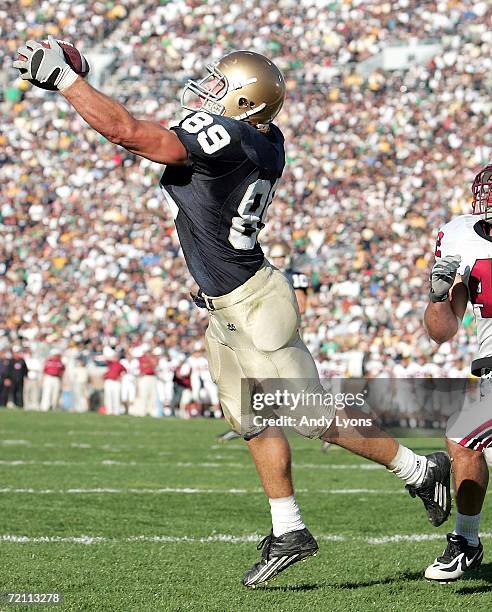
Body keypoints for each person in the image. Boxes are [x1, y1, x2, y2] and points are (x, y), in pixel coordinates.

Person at [14, 40, 452, 586]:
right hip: (226, 301)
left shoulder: (235, 139)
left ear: (246, 104)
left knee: (313, 415)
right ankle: (288, 529)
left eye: (221, 87)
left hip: (252, 303)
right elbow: (178, 144)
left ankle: (418, 467)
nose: (207, 92)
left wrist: (68, 83)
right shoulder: (263, 138)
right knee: (252, 421)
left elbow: (127, 132)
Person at [423, 164, 492, 582]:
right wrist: (436, 297)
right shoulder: (461, 237)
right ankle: (466, 541)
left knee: (462, 437)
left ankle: (466, 542)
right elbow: (442, 333)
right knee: (463, 440)